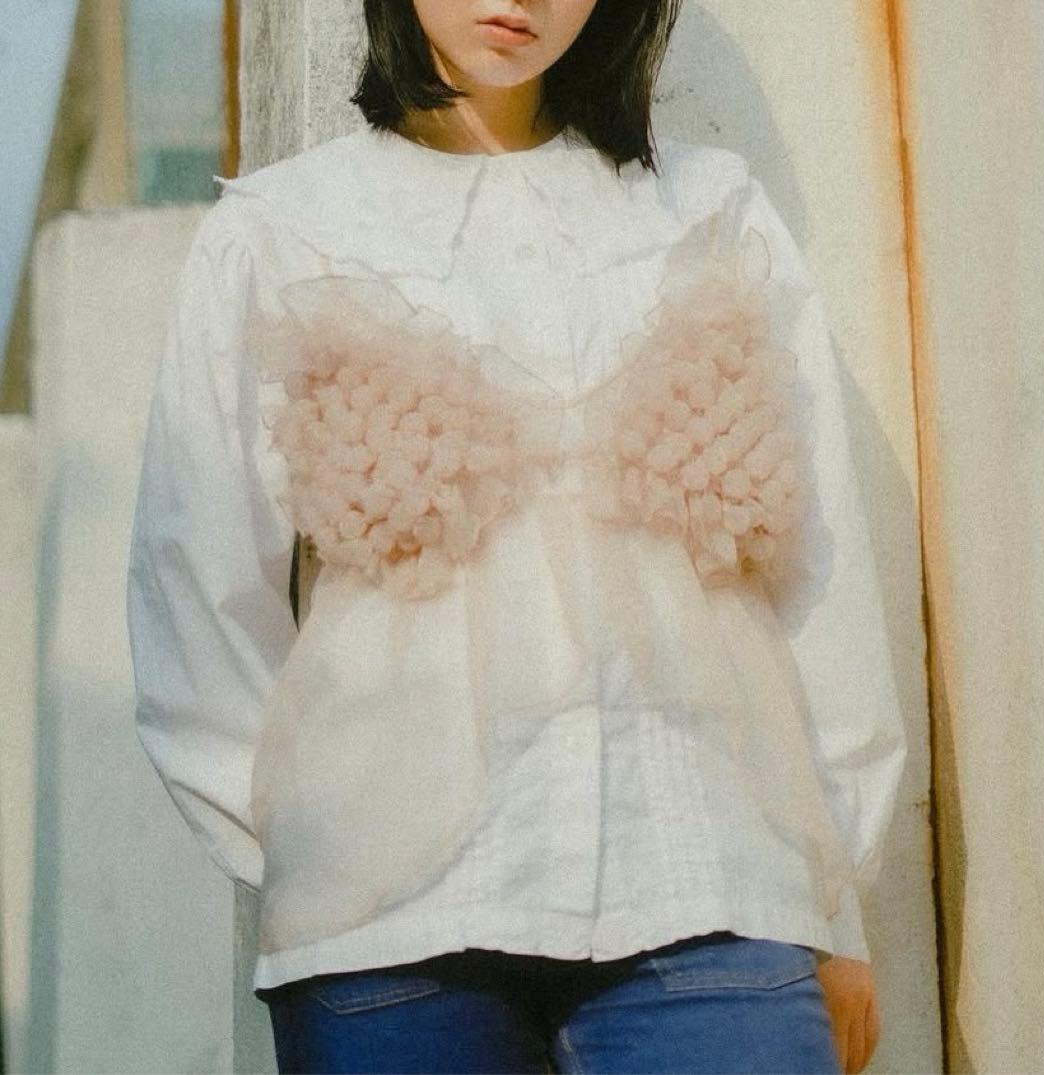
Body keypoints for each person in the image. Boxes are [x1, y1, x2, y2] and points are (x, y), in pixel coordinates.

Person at [125, 1, 907, 1072]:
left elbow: (819, 570)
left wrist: (833, 895)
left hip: (710, 887)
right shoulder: (280, 232)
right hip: (391, 936)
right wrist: (315, 847)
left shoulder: (709, 211)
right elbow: (199, 588)